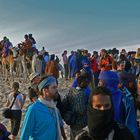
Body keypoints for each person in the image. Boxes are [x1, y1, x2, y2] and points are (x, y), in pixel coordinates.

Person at [98, 70, 139, 140]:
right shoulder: (125, 99)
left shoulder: (125, 100)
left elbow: (131, 127)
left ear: (106, 83)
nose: (99, 84)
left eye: (100, 81)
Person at [63, 75, 89, 140]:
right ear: (80, 83)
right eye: (85, 82)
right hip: (80, 123)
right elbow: (81, 110)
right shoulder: (82, 94)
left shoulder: (71, 90)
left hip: (72, 121)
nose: (87, 83)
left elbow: (64, 103)